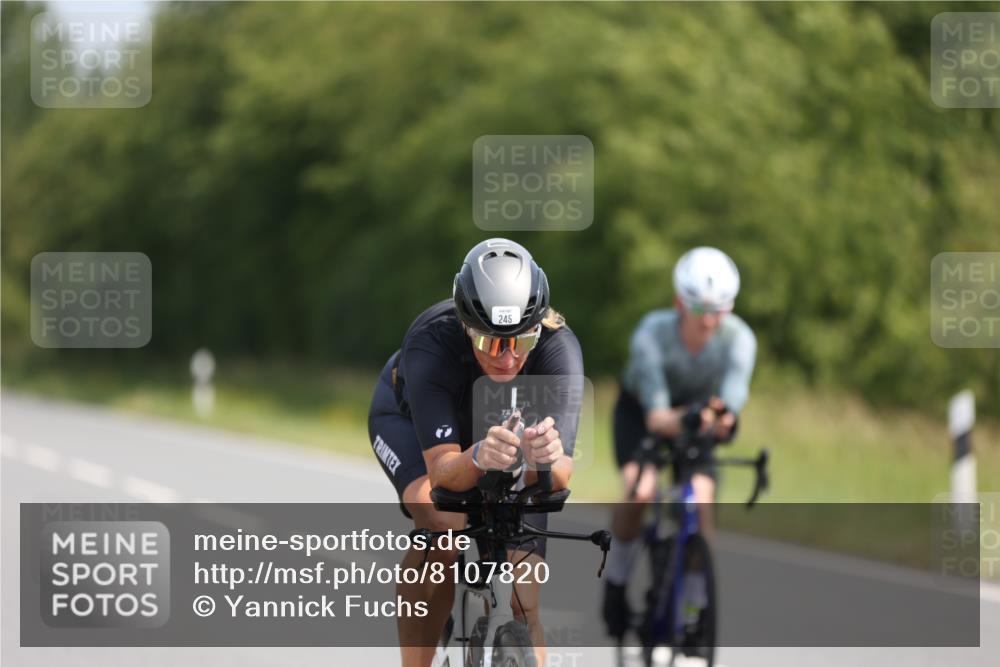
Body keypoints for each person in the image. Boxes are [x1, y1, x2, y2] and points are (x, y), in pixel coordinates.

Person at [368, 238, 584, 667]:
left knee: (524, 598)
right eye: (490, 344)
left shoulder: (559, 350)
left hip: (503, 442)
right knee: (443, 520)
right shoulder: (431, 342)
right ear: (466, 326)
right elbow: (445, 472)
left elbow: (559, 476)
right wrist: (479, 456)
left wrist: (545, 457)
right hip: (412, 423)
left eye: (519, 342)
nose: (506, 360)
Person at [602, 246, 757, 640]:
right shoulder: (651, 333)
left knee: (701, 501)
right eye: (701, 310)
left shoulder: (740, 340)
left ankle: (693, 606)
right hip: (642, 415)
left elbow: (732, 402)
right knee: (642, 490)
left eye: (720, 310)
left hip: (696, 421)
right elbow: (656, 417)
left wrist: (723, 419)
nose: (710, 321)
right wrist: (696, 416)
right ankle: (616, 583)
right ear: (679, 303)